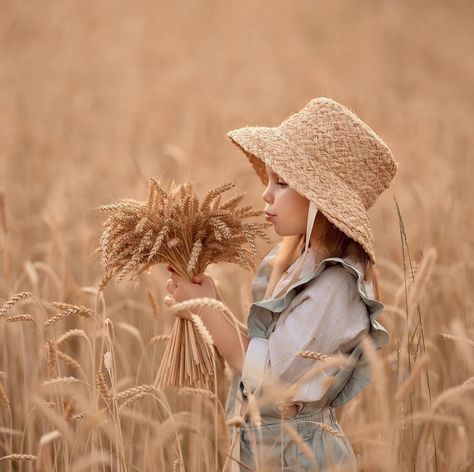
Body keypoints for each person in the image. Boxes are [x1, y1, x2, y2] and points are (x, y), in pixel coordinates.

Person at [163, 97, 398, 471]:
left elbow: (269, 376)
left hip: (297, 459)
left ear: (321, 201)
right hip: (267, 452)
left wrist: (209, 311)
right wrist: (212, 302)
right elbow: (269, 350)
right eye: (270, 179)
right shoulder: (298, 264)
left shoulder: (336, 286)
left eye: (282, 182)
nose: (266, 193)